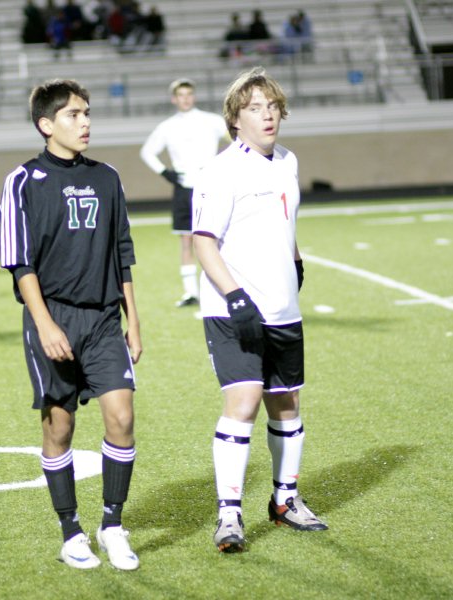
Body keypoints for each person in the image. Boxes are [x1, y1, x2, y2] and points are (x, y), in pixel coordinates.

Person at [0, 79, 142, 570]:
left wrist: (134, 322)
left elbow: (123, 253)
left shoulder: (107, 177)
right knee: (59, 429)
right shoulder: (22, 180)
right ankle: (70, 531)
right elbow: (21, 264)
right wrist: (45, 325)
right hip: (53, 318)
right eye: (74, 115)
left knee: (121, 418)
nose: (85, 122)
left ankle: (113, 526)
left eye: (87, 113)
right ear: (46, 124)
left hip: (103, 319)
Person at [191, 67, 327, 553]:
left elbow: (284, 224)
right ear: (235, 118)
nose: (267, 115)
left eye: (272, 106)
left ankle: (285, 501)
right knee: (244, 401)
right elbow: (203, 243)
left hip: (283, 306)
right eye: (254, 108)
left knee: (286, 402)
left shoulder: (288, 160)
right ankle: (229, 514)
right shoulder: (220, 170)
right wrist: (234, 296)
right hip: (234, 309)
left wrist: (296, 261)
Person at [140, 78, 228, 308]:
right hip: (183, 189)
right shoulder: (167, 126)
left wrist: (225, 164)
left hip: (211, 186)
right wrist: (165, 172)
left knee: (217, 238)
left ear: (194, 96)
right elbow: (147, 152)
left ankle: (225, 288)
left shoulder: (212, 121)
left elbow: (236, 139)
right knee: (186, 241)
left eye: (189, 94)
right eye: (181, 95)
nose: (185, 98)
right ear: (174, 99)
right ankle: (191, 293)